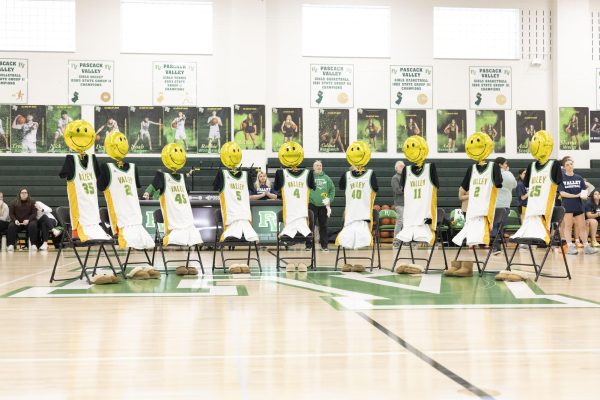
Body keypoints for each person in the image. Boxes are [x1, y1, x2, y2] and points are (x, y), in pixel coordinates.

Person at [558, 157, 597, 255]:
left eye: (571, 164)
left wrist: (584, 195)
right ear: (564, 167)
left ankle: (586, 246)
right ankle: (570, 246)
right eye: (567, 165)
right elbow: (562, 193)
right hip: (567, 205)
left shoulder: (579, 178)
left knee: (582, 226)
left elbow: (584, 191)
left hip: (578, 205)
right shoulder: (562, 179)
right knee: (568, 226)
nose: (570, 166)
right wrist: (575, 195)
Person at [491, 157, 517, 254]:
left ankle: (495, 247)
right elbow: (514, 185)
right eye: (505, 163)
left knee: (494, 226)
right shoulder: (508, 173)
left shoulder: (491, 173)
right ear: (500, 164)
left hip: (494, 204)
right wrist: (508, 172)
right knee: (500, 227)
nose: (507, 165)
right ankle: (496, 246)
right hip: (505, 204)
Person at [308, 160, 335, 252]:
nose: (319, 167)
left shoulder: (327, 178)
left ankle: (324, 246)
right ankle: (308, 245)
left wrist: (329, 199)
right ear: (313, 167)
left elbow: (332, 190)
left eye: (320, 165)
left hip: (323, 205)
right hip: (311, 204)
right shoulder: (309, 177)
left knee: (323, 225)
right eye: (317, 165)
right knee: (310, 225)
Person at [391, 161, 405, 247]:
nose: (403, 167)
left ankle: (404, 240)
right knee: (400, 221)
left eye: (403, 166)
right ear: (396, 168)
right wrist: (406, 189)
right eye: (401, 166)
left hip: (407, 203)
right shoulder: (395, 178)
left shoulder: (406, 177)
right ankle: (396, 240)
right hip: (400, 203)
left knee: (406, 222)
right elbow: (397, 190)